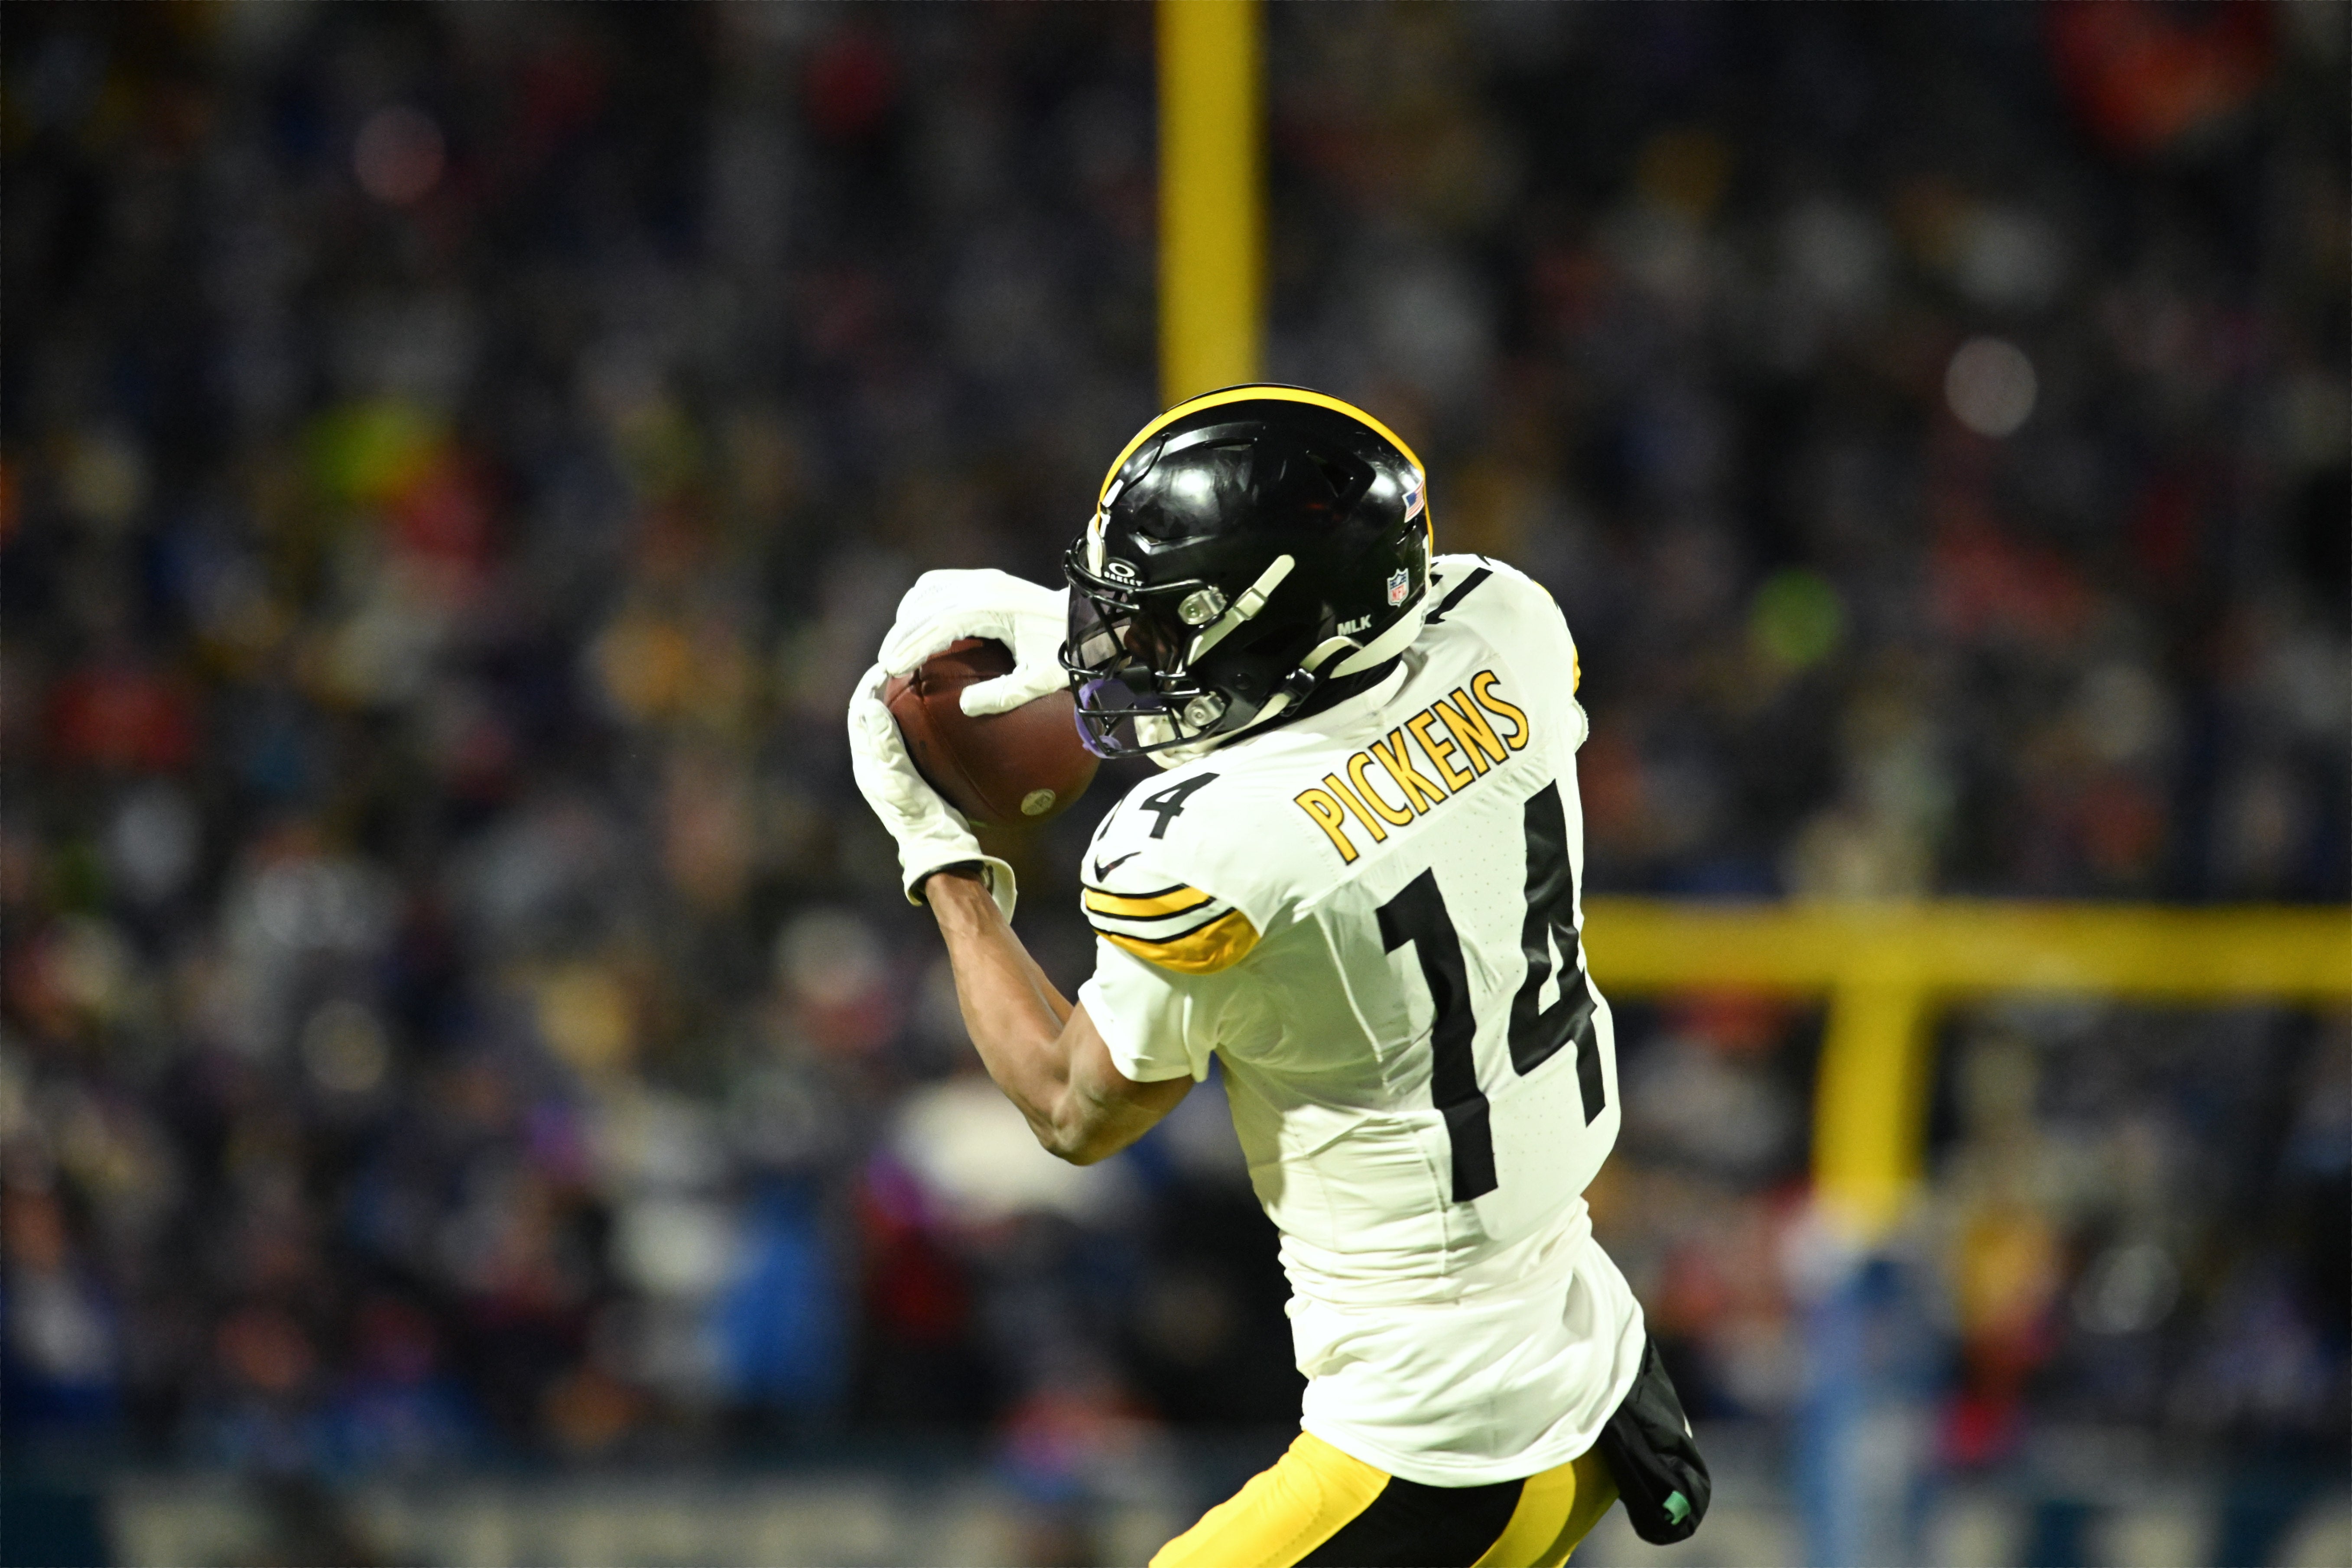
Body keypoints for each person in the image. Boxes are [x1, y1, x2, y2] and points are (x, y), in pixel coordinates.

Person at [848, 386, 1706, 1567]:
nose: (1115, 646)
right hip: (1576, 1328)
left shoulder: (1212, 850)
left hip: (1440, 1439)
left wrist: (941, 859)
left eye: (1155, 622)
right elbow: (1342, 661)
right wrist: (1078, 622)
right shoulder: (1505, 623)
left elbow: (1072, 1104)